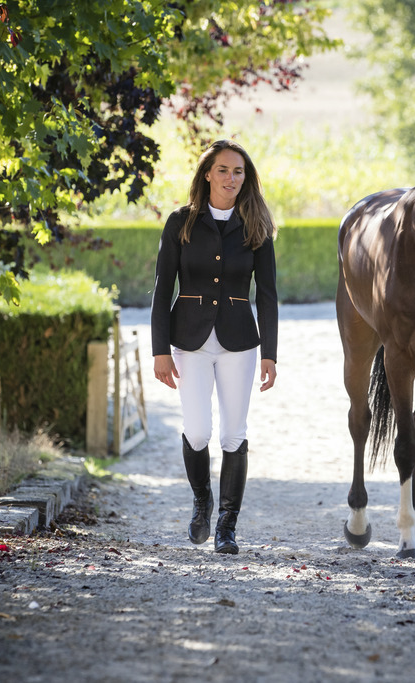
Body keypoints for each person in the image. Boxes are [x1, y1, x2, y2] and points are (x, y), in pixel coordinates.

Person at [151, 139, 278, 554]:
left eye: (238, 171)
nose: (231, 178)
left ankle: (227, 526)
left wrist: (271, 355)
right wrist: (159, 350)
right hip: (188, 339)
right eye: (223, 170)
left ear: (247, 177)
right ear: (208, 174)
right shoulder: (180, 222)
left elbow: (268, 295)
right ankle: (201, 501)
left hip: (240, 342)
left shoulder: (257, 224)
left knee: (234, 434)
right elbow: (161, 288)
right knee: (198, 429)